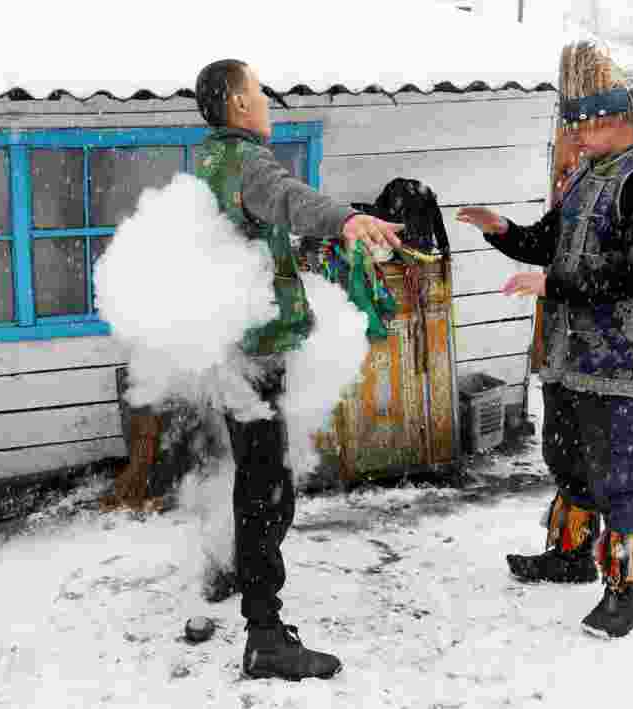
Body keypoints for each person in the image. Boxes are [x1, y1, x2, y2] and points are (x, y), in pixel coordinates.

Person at [457, 40, 633, 639]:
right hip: (570, 352)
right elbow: (548, 243)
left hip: (621, 355)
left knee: (618, 474)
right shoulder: (588, 176)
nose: (577, 137)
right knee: (567, 460)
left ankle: (630, 589)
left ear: (620, 124)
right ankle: (570, 556)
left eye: (587, 127)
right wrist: (503, 230)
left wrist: (551, 281)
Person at [194, 59, 403, 680]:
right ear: (236, 104)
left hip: (230, 345)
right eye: (258, 93)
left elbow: (255, 228)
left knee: (256, 479)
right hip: (254, 352)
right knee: (268, 489)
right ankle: (265, 633)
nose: (266, 103)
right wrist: (346, 220)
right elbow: (287, 197)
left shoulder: (208, 161)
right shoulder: (249, 162)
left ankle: (236, 567)